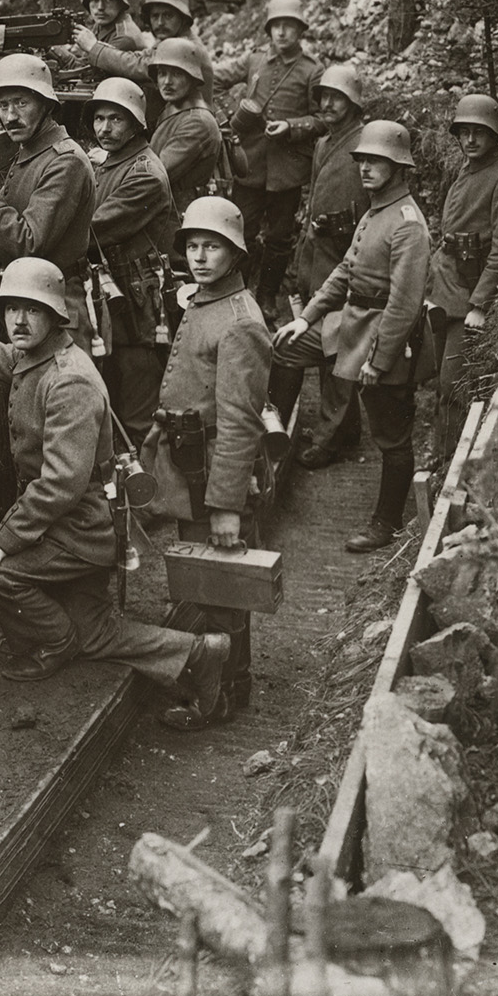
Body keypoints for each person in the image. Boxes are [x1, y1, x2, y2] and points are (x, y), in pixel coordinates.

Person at [0, 258, 232, 711]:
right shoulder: (40, 357)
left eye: (32, 310)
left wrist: (4, 541)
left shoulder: (69, 381)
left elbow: (61, 484)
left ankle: (55, 641)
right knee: (98, 632)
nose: (19, 321)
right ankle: (199, 654)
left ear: (54, 315)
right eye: (11, 309)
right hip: (78, 522)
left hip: (82, 528)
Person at [144, 197, 273, 729]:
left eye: (212, 247)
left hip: (213, 470)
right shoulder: (204, 301)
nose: (199, 257)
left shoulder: (240, 322)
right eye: (193, 246)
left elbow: (241, 421)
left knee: (220, 585)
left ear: (235, 254)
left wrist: (225, 504)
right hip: (191, 461)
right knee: (208, 579)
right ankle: (218, 682)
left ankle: (219, 694)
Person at [273, 120, 431, 554]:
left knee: (391, 435)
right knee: (283, 348)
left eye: (376, 161)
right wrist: (306, 318)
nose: (365, 168)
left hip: (385, 337)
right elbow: (344, 270)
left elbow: (403, 305)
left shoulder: (408, 224)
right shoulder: (375, 209)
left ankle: (386, 522)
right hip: (349, 321)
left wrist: (378, 362)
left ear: (399, 167)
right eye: (362, 160)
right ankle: (273, 439)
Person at [0, 51, 96, 340]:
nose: (10, 116)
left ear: (46, 106)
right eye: (3, 105)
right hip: (28, 302)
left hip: (56, 312)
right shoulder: (32, 150)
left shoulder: (65, 161)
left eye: (21, 103)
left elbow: (28, 242)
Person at [268, 63, 369, 468]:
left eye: (336, 98)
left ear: (354, 103)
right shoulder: (326, 143)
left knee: (338, 353)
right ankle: (342, 429)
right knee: (330, 350)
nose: (327, 104)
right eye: (323, 97)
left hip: (348, 261)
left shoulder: (364, 145)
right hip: (319, 259)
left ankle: (332, 437)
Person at [429, 93, 498, 458]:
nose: (470, 140)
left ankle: (448, 462)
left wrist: (479, 304)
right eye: (465, 132)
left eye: (480, 133)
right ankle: (439, 450)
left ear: (495, 136)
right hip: (446, 285)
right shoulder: (466, 169)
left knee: (453, 384)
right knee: (438, 380)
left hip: (471, 291)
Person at [85, 77, 176, 440]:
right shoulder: (115, 160)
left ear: (137, 124)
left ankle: (150, 491)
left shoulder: (146, 175)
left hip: (138, 309)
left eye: (116, 119)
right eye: (99, 118)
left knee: (137, 410)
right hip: (115, 298)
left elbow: (93, 229)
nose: (104, 128)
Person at [223, 0, 324, 317]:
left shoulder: (312, 70)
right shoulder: (254, 61)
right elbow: (214, 78)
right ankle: (235, 293)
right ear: (269, 30)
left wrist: (292, 126)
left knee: (280, 239)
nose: (281, 33)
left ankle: (267, 297)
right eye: (276, 26)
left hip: (287, 170)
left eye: (289, 27)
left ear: (300, 31)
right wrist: (226, 115)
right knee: (239, 231)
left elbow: (323, 119)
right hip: (250, 164)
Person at [73, 0, 218, 93]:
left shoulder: (186, 46)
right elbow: (140, 57)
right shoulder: (168, 42)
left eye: (168, 15)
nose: (160, 22)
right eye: (155, 16)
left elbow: (141, 66)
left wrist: (94, 48)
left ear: (183, 18)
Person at [147, 37, 227, 215]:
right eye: (162, 73)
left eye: (176, 74)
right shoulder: (175, 108)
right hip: (166, 206)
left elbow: (157, 172)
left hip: (181, 215)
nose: (167, 82)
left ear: (192, 78)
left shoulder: (197, 121)